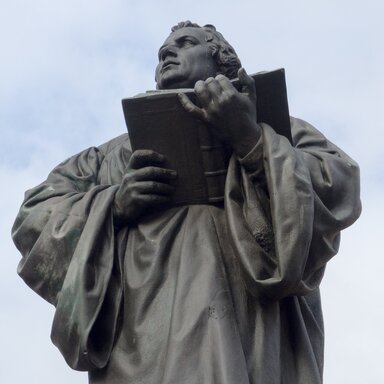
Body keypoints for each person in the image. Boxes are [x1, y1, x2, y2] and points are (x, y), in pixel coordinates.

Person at [12, 21, 361, 384]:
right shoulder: (112, 155)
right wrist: (113, 205)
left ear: (222, 62)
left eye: (185, 43)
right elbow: (34, 216)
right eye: (163, 50)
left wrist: (252, 141)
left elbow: (338, 185)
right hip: (147, 338)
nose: (166, 52)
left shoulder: (277, 128)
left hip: (252, 330)